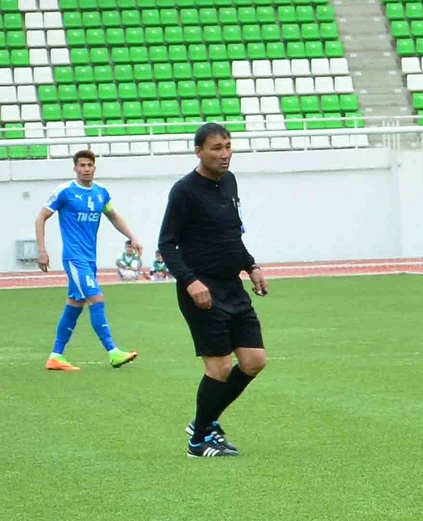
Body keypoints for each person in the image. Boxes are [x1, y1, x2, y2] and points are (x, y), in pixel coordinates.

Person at [158, 123, 269, 458]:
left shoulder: (230, 183)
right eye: (217, 148)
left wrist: (251, 266)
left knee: (253, 361)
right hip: (202, 292)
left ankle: (204, 422)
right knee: (219, 369)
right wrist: (191, 281)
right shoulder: (184, 191)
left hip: (232, 287)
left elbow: (231, 236)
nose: (225, 154)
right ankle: (198, 443)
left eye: (228, 146)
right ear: (199, 152)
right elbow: (167, 244)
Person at [35, 149, 141, 371]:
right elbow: (41, 218)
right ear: (75, 168)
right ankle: (113, 352)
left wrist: (132, 236)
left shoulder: (100, 193)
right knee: (96, 299)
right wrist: (42, 250)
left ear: (94, 167)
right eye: (81, 165)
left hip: (89, 259)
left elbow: (113, 215)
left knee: (74, 305)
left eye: (89, 165)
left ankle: (55, 356)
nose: (85, 169)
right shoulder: (65, 191)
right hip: (75, 259)